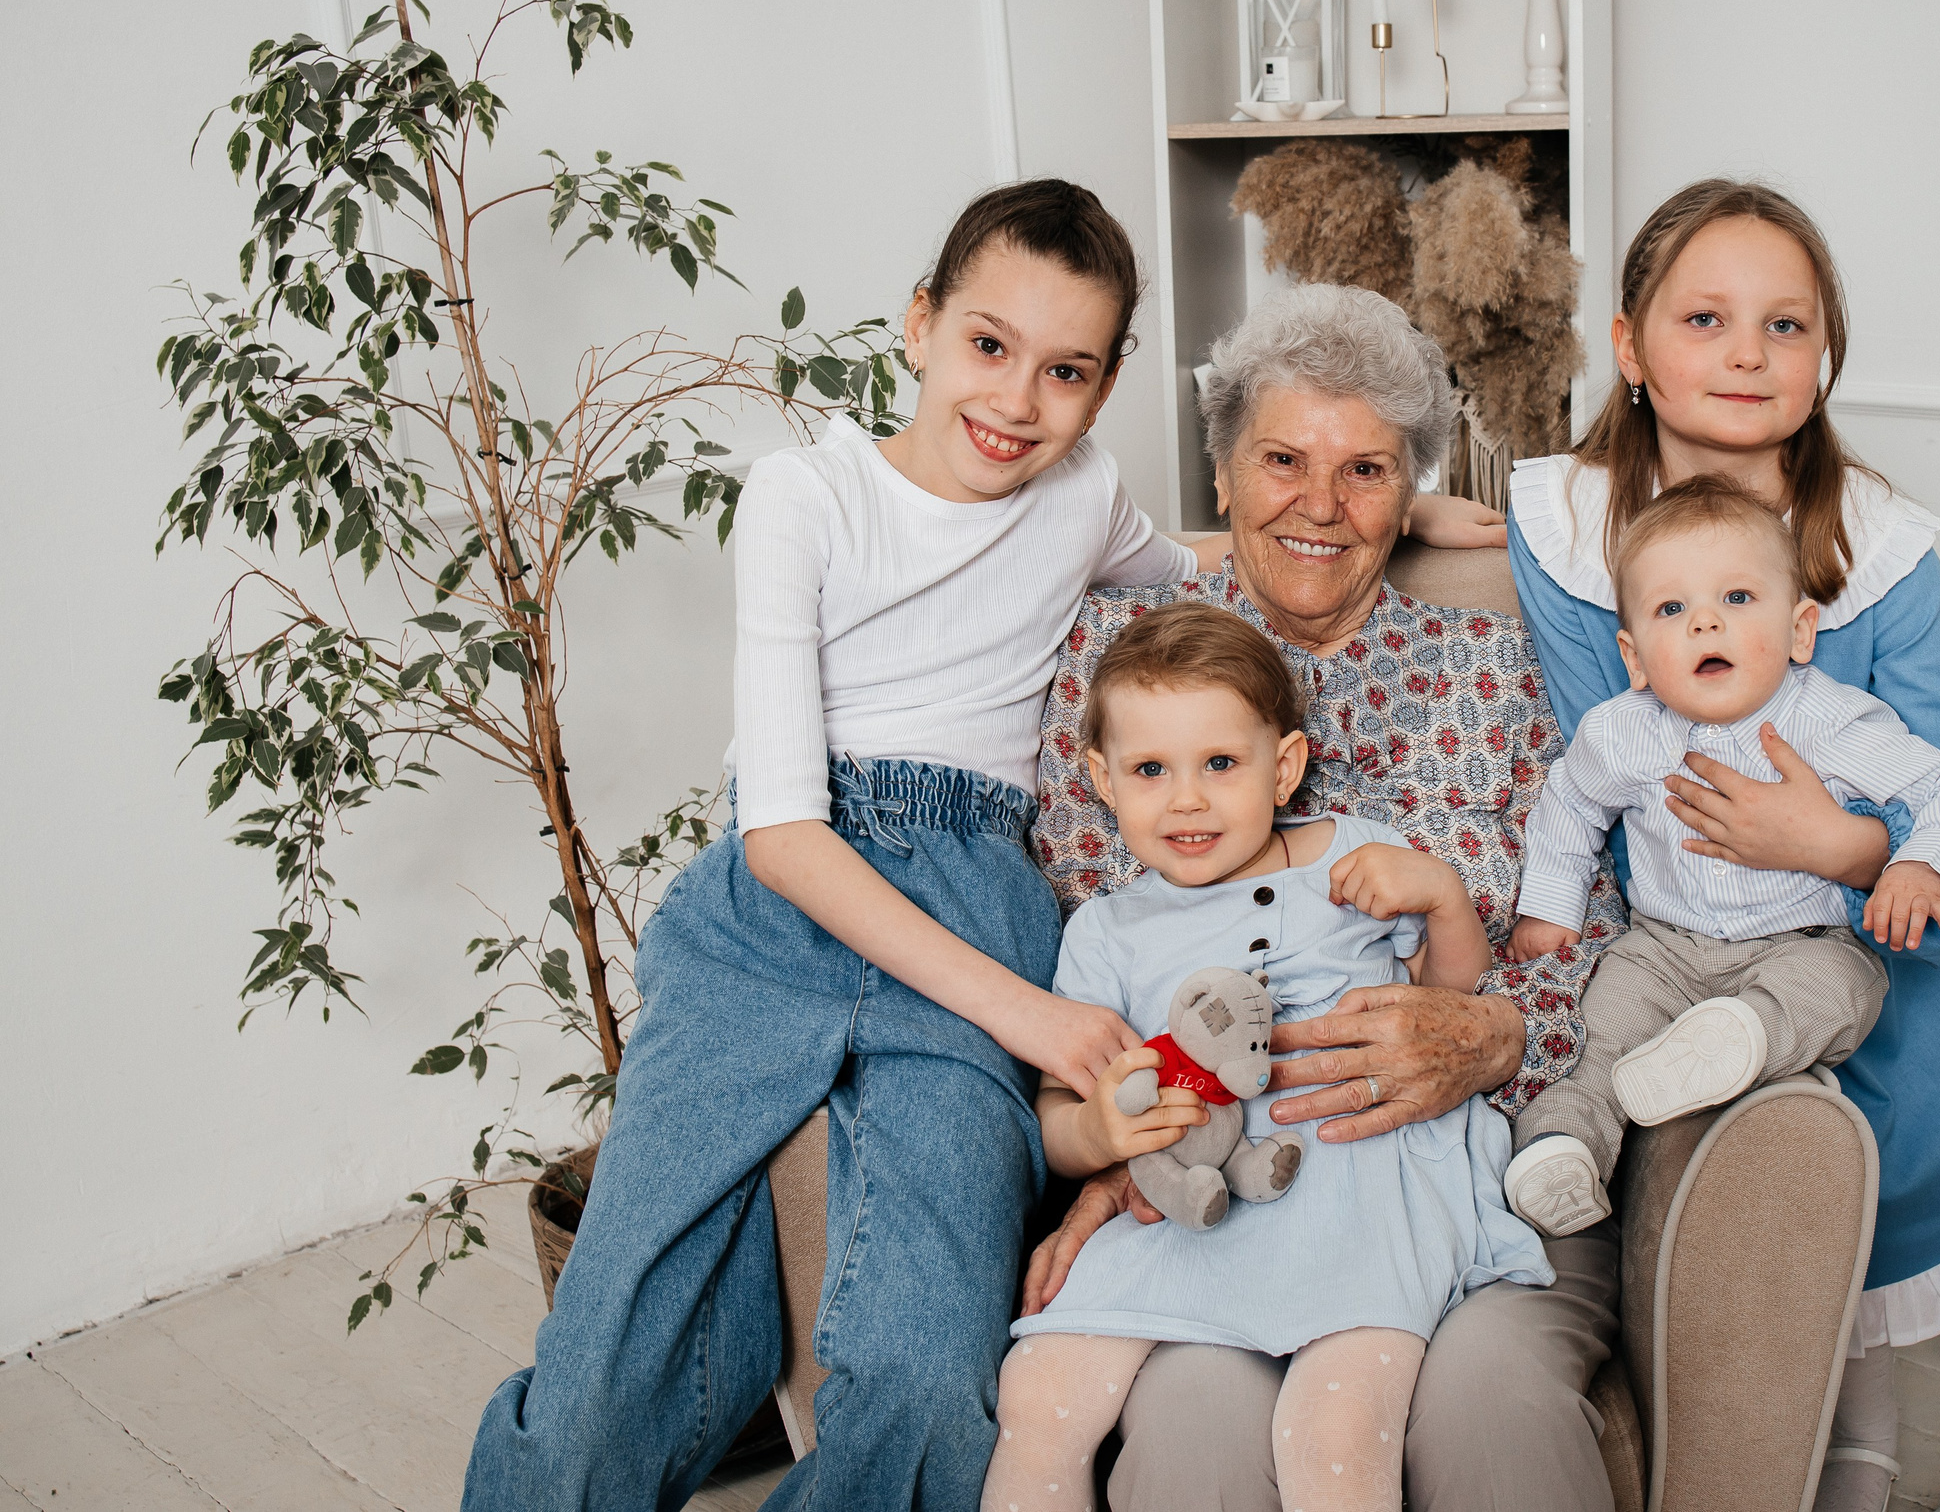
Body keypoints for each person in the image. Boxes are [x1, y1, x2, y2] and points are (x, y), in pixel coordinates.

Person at [464, 180, 1213, 1512]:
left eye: (1067, 371)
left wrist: (1426, 517)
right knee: (595, 1383)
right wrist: (1034, 1019)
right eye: (988, 343)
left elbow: (1201, 566)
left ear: (1103, 393)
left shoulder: (1084, 493)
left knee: (930, 1380)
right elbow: (784, 838)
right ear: (919, 325)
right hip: (778, 902)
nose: (1018, 398)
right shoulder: (802, 495)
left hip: (979, 887)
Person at [1505, 179, 1940, 1512]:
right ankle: (1854, 1439)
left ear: (1824, 362)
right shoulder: (1575, 528)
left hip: (1877, 907)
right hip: (1695, 921)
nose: (1748, 352)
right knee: (1801, 1178)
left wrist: (1842, 840)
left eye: (1785, 325)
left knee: (1925, 1153)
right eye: (1706, 318)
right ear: (1633, 346)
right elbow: (1607, 745)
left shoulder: (1874, 546)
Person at [1025, 281, 1628, 1512]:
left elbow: (1593, 940)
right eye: (1282, 460)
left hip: (1463, 1167)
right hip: (1222, 1192)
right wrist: (1117, 1153)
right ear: (1223, 470)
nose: (1319, 504)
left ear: (1410, 490)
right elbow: (1090, 952)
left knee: (1491, 1406)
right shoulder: (1112, 658)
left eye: (1365, 471)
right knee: (1193, 1423)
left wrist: (1491, 1033)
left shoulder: (1495, 667)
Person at [984, 603, 1549, 1512]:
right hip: (1193, 1202)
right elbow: (1059, 1112)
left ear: (1283, 767)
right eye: (1150, 770)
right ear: (1101, 778)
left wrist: (1442, 900)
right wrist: (1095, 1130)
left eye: (1220, 763)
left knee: (1328, 1431)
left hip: (1362, 1185)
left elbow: (1454, 1001)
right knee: (1041, 1394)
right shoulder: (1108, 930)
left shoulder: (1353, 856)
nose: (1188, 798)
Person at [1500, 473, 1940, 1236]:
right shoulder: (1621, 730)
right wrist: (1548, 908)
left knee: (1842, 989)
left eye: (1737, 599)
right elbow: (1570, 806)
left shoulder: (1826, 719)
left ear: (1800, 630)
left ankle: (1742, 1038)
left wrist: (1917, 865)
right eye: (1673, 608)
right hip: (1660, 948)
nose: (1706, 624)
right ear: (1635, 657)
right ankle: (1562, 1148)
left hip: (1799, 944)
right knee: (1594, 1032)